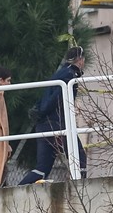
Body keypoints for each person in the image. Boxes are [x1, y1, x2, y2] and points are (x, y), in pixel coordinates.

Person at [20, 47, 88, 184]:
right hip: (58, 124)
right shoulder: (69, 75)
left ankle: (19, 188)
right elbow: (56, 99)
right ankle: (82, 189)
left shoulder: (60, 73)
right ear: (80, 60)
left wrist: (40, 113)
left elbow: (47, 97)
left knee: (42, 168)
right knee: (79, 158)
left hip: (44, 124)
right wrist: (45, 112)